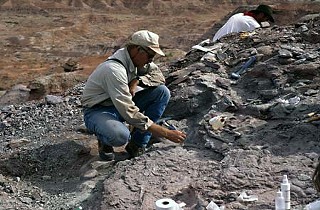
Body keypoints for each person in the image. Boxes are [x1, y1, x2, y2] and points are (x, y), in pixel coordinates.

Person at [81, 30, 187, 161]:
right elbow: (128, 111)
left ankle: (137, 144)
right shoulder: (114, 70)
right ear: (138, 50)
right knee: (119, 136)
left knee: (162, 92)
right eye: (150, 56)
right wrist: (166, 133)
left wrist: (135, 81)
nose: (150, 60)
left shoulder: (136, 61)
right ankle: (104, 139)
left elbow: (159, 77)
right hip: (98, 109)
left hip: (119, 106)